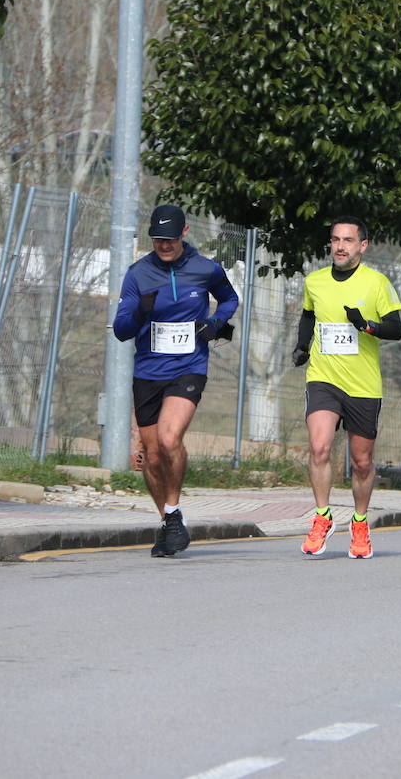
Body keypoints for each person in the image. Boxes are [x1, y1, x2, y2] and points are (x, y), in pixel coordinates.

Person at [112, 205, 238, 557]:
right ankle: (170, 517)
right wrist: (141, 311)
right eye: (157, 239)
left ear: (183, 233)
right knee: (152, 456)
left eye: (169, 239)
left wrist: (214, 325)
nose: (164, 245)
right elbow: (122, 331)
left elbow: (230, 298)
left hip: (189, 366)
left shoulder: (205, 269)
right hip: (148, 371)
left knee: (169, 439)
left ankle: (173, 509)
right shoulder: (138, 274)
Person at [292, 217, 401, 559]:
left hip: (363, 384)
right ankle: (323, 516)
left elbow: (396, 328)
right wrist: (301, 345)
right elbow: (309, 315)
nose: (340, 246)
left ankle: (359, 522)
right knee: (320, 447)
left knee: (361, 462)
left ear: (362, 246)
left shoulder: (376, 283)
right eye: (335, 240)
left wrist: (367, 326)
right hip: (323, 376)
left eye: (348, 241)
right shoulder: (315, 281)